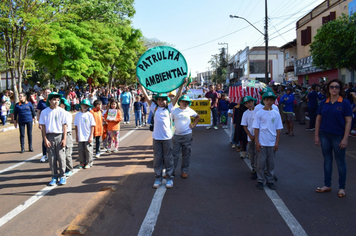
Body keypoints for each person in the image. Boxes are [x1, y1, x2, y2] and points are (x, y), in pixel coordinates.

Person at [138, 78, 186, 189]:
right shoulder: (154, 108)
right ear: (157, 101)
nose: (161, 101)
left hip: (167, 138)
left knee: (168, 159)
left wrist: (182, 85)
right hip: (156, 138)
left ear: (167, 100)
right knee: (157, 159)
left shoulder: (170, 108)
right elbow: (145, 95)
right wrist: (140, 84)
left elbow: (178, 95)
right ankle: (158, 178)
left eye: (163, 100)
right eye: (159, 100)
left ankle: (169, 178)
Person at [314, 79, 352, 198]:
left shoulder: (344, 103)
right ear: (328, 89)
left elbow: (348, 121)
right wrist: (316, 136)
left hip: (338, 136)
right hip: (325, 135)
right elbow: (318, 119)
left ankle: (341, 187)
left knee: (340, 162)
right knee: (327, 161)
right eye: (332, 87)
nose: (334, 89)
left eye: (337, 87)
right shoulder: (324, 102)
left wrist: (345, 138)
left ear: (340, 89)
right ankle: (327, 185)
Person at [253, 91, 283, 190]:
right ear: (263, 101)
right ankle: (260, 180)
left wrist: (277, 142)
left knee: (271, 163)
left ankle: (270, 180)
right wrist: (257, 142)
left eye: (271, 100)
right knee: (260, 163)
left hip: (272, 143)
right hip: (262, 142)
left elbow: (278, 129)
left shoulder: (276, 113)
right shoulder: (259, 113)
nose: (269, 102)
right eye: (267, 100)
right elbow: (256, 128)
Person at [39, 92, 68, 186]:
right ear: (50, 101)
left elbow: (64, 126)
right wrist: (45, 139)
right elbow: (43, 127)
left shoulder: (61, 111)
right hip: (49, 136)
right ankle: (54, 176)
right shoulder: (44, 112)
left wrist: (64, 139)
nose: (56, 102)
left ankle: (62, 176)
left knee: (61, 157)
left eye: (58, 100)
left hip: (59, 135)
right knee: (52, 158)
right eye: (54, 100)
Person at [171, 95, 200, 179]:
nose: (184, 103)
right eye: (183, 101)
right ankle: (171, 171)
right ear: (179, 102)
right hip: (176, 136)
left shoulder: (190, 110)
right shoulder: (175, 111)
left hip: (187, 136)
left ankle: (184, 171)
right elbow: (171, 121)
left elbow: (198, 117)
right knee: (174, 155)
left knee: (186, 154)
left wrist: (194, 125)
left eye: (186, 102)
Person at [74, 99, 96, 169]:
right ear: (81, 105)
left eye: (86, 106)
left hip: (87, 135)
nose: (84, 107)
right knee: (81, 150)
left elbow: (92, 126)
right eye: (83, 105)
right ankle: (82, 162)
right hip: (80, 135)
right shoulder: (77, 115)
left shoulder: (90, 115)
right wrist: (77, 135)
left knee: (88, 149)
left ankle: (89, 162)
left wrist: (91, 136)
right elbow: (76, 126)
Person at [240, 96, 258, 179]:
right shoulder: (245, 113)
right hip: (250, 137)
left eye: (250, 102)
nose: (249, 104)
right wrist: (250, 135)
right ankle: (254, 168)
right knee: (252, 153)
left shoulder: (258, 111)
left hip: (259, 136)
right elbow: (244, 126)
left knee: (259, 153)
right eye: (246, 103)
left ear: (253, 102)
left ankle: (261, 169)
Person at [59, 97, 74, 177]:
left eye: (61, 104)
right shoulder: (56, 113)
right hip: (59, 134)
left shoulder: (67, 114)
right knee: (61, 154)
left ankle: (70, 169)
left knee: (67, 153)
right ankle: (63, 168)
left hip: (67, 133)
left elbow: (66, 125)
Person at [37, 88, 51, 163]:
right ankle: (44, 154)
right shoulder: (41, 102)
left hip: (52, 122)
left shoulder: (52, 101)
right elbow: (38, 112)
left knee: (52, 138)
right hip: (44, 123)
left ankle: (52, 154)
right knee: (44, 138)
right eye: (45, 92)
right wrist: (40, 122)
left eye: (48, 92)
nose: (47, 94)